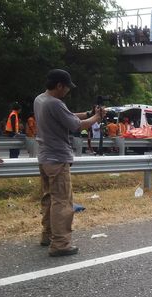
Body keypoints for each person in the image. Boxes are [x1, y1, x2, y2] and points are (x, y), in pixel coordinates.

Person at [34, 69, 105, 257]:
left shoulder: (40, 99)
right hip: (58, 158)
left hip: (44, 157)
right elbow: (76, 125)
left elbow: (68, 115)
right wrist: (96, 118)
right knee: (62, 202)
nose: (67, 91)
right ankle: (60, 243)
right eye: (66, 87)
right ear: (59, 86)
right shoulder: (55, 103)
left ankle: (47, 235)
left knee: (49, 198)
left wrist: (89, 113)